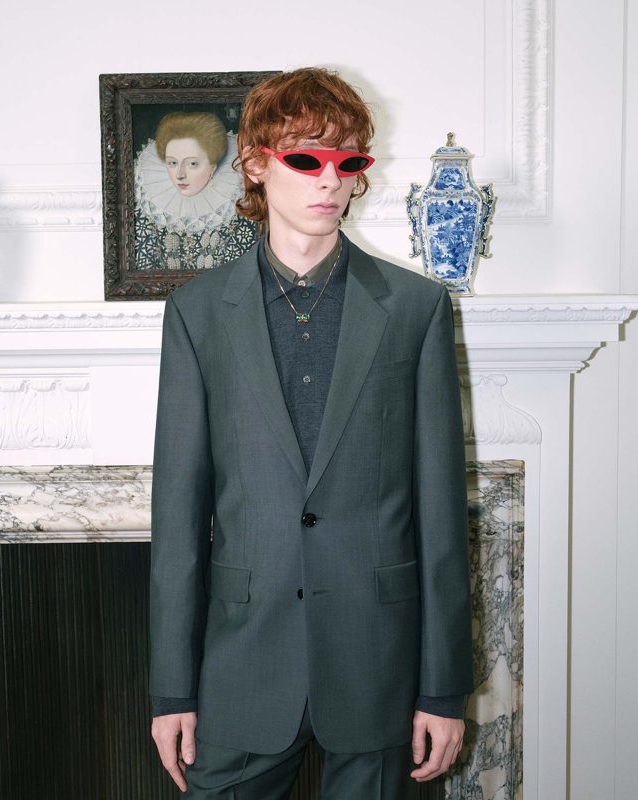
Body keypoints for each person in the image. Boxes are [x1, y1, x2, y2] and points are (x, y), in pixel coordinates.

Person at [149, 67, 474, 799]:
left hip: (378, 661)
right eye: (306, 158)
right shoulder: (198, 313)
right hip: (241, 663)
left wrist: (444, 687)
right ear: (256, 165)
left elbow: (441, 516)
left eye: (347, 161)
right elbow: (177, 518)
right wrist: (171, 689)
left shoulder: (415, 308)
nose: (330, 180)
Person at [134, 111, 256, 272]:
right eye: (172, 163)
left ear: (213, 166)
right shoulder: (150, 210)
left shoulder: (239, 209)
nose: (179, 174)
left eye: (192, 163)